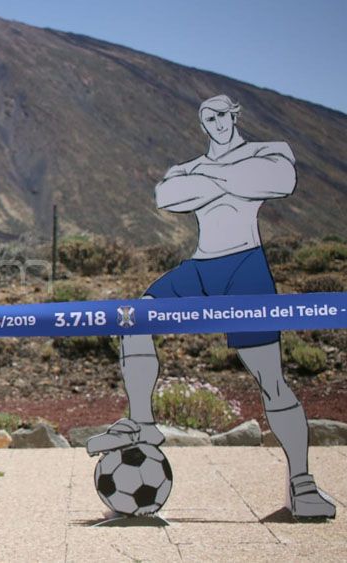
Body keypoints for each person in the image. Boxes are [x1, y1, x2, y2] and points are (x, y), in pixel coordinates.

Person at [87, 95, 336, 519]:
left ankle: (301, 484)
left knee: (270, 378)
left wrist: (212, 179)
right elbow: (168, 196)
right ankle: (143, 423)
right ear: (202, 124)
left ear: (234, 115)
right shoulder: (190, 168)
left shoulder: (267, 151)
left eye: (222, 114)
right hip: (202, 267)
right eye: (208, 118)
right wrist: (235, 178)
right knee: (137, 315)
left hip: (246, 267)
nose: (216, 122)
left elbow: (281, 181)